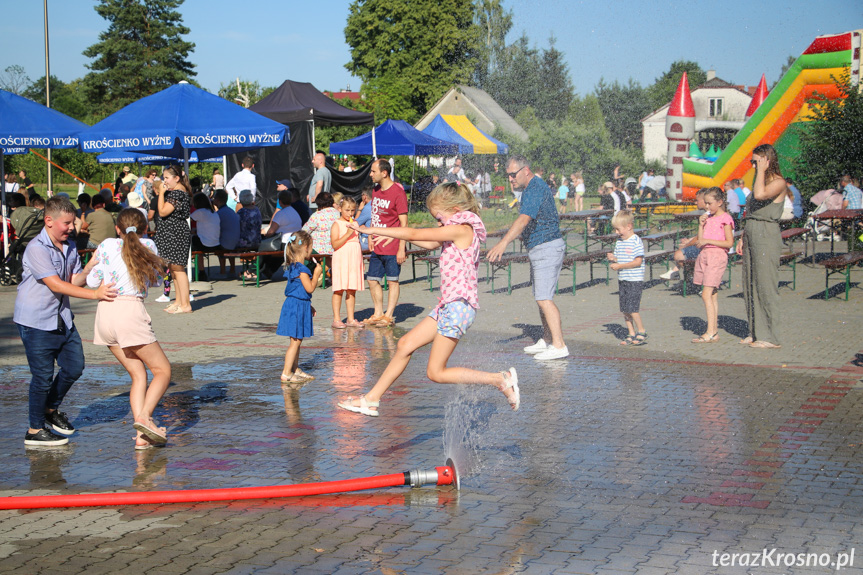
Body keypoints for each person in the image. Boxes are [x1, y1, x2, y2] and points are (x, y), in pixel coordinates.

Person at [338, 182, 520, 417]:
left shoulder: (462, 229)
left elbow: (415, 233)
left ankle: (499, 379)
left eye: (439, 217)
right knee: (404, 345)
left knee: (436, 372)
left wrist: (376, 230)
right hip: (448, 305)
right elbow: (426, 241)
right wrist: (394, 240)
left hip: (458, 307)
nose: (438, 222)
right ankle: (371, 399)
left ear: (454, 209)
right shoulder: (453, 229)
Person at [14, 196, 118, 446]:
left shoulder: (69, 246)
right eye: (67, 223)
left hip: (61, 318)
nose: (72, 228)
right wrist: (94, 294)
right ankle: (34, 430)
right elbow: (56, 284)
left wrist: (90, 267)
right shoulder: (37, 248)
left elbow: (72, 281)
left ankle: (49, 410)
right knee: (42, 377)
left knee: (74, 367)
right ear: (49, 221)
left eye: (73, 223)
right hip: (35, 320)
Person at [83, 209, 171, 450]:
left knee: (138, 374)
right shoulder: (148, 244)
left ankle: (142, 438)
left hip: (105, 314)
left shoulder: (106, 246)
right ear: (144, 229)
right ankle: (145, 418)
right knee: (162, 370)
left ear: (118, 229)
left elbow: (91, 280)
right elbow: (156, 278)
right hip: (129, 312)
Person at [487, 155, 568, 360]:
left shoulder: (534, 188)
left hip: (547, 247)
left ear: (526, 170)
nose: (510, 179)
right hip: (540, 248)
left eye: (513, 175)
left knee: (544, 299)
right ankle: (548, 339)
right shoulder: (531, 189)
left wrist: (503, 243)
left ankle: (559, 345)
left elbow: (523, 220)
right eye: (508, 176)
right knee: (541, 296)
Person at [736, 144, 788, 349]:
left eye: (755, 161)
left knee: (765, 284)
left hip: (766, 233)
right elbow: (751, 209)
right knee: (750, 282)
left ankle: (770, 336)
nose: (753, 165)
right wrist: (742, 236)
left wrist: (761, 170)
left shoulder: (778, 182)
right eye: (752, 162)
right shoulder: (761, 179)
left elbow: (759, 195)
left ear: (766, 159)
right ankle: (755, 331)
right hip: (752, 231)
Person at [364, 159, 408, 327]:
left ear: (384, 173)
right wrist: (370, 234)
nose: (370, 174)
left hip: (393, 244)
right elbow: (375, 215)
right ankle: (378, 312)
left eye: (373, 171)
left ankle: (389, 315)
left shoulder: (398, 192)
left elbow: (404, 224)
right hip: (377, 243)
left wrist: (401, 248)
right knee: (372, 279)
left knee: (392, 280)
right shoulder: (375, 191)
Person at [277, 231, 324, 383]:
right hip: (296, 306)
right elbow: (309, 288)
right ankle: (286, 373)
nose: (312, 250)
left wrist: (308, 305)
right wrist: (317, 274)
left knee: (297, 339)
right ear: (305, 247)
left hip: (296, 304)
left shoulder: (293, 266)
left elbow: (298, 289)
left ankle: (294, 368)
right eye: (311, 247)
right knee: (295, 341)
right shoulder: (303, 269)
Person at [691, 188, 735, 343]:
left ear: (720, 202)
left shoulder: (725, 218)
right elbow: (700, 240)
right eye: (706, 203)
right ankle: (714, 331)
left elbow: (729, 243)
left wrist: (708, 242)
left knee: (706, 293)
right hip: (705, 255)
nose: (707, 207)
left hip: (717, 256)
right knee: (713, 294)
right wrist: (700, 225)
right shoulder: (708, 218)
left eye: (710, 203)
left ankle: (710, 331)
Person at [154, 166, 193, 314]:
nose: (164, 181)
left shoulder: (177, 193)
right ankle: (178, 301)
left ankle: (186, 304)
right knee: (174, 268)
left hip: (176, 234)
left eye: (167, 178)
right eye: (164, 178)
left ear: (176, 178)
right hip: (172, 233)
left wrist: (161, 194)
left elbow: (163, 212)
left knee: (178, 268)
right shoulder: (176, 192)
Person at [606, 210, 647, 346]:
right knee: (624, 308)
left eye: (619, 229)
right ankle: (631, 332)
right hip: (623, 278)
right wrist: (613, 258)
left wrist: (620, 265)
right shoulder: (620, 241)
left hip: (634, 279)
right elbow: (619, 258)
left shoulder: (636, 241)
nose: (617, 232)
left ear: (628, 226)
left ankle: (641, 330)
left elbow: (637, 262)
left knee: (632, 308)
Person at [330, 196, 365, 329]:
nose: (350, 213)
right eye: (347, 210)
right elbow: (335, 244)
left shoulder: (355, 222)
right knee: (339, 289)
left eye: (353, 210)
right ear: (340, 209)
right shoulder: (337, 224)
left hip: (354, 258)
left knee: (351, 289)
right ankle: (337, 319)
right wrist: (348, 234)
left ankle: (350, 318)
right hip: (342, 257)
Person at [660, 189, 708, 280]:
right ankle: (679, 272)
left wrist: (687, 244)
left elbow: (701, 236)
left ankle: (695, 277)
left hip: (708, 248)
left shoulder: (707, 215)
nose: (695, 203)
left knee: (678, 254)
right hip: (706, 245)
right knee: (682, 248)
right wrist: (690, 241)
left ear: (703, 201)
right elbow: (701, 235)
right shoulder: (708, 213)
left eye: (697, 200)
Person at [190, 193, 220, 280]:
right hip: (216, 243)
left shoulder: (199, 212)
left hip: (205, 244)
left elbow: (187, 221)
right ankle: (201, 271)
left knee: (194, 245)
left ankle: (201, 271)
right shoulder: (213, 212)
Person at [211, 189, 241, 277]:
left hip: (225, 243)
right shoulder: (230, 211)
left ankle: (222, 271)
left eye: (214, 198)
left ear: (218, 200)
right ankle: (232, 269)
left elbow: (215, 229)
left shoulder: (219, 213)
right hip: (235, 241)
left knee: (217, 245)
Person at [301, 192, 339, 257]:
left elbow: (304, 231)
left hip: (319, 252)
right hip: (335, 249)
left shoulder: (316, 215)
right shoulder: (338, 213)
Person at [356, 186, 373, 251]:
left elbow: (355, 224)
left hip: (367, 241)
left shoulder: (367, 208)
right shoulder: (377, 205)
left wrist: (359, 209)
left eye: (362, 195)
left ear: (365, 196)